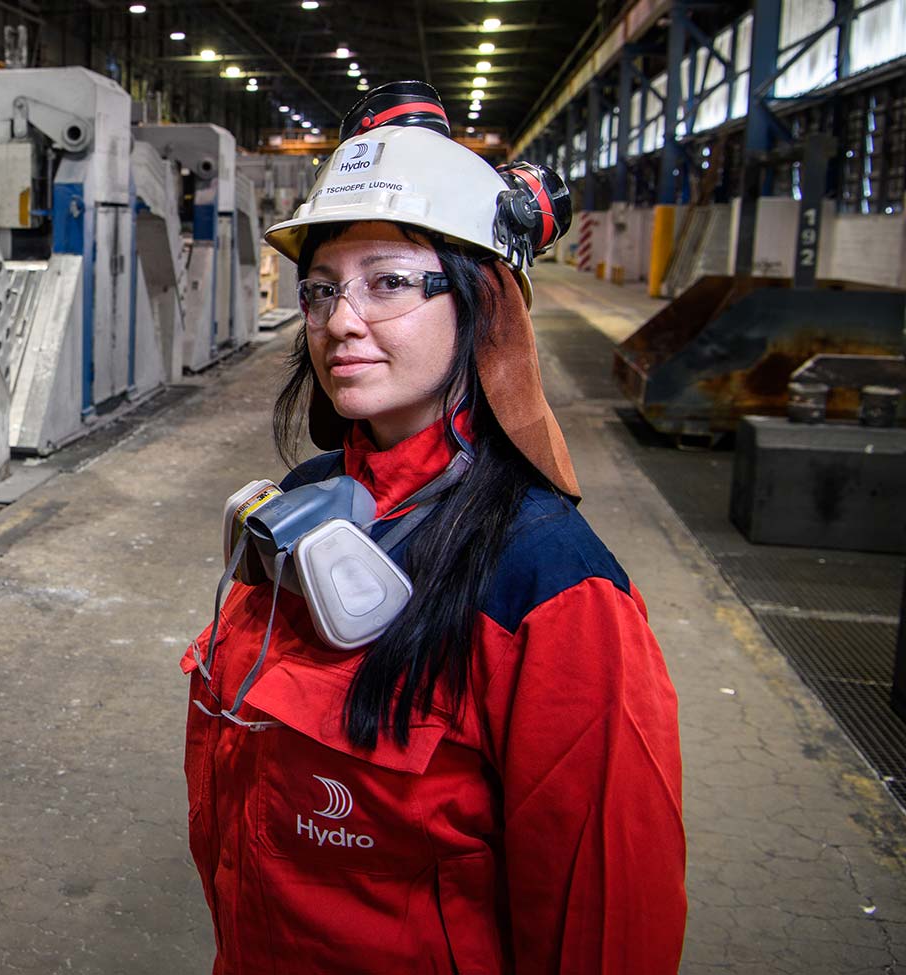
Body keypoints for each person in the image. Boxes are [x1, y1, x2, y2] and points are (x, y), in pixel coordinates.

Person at [182, 81, 687, 973]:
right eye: (323, 289)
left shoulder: (551, 586)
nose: (341, 322)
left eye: (388, 285)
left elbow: (604, 924)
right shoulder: (304, 500)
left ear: (480, 301)